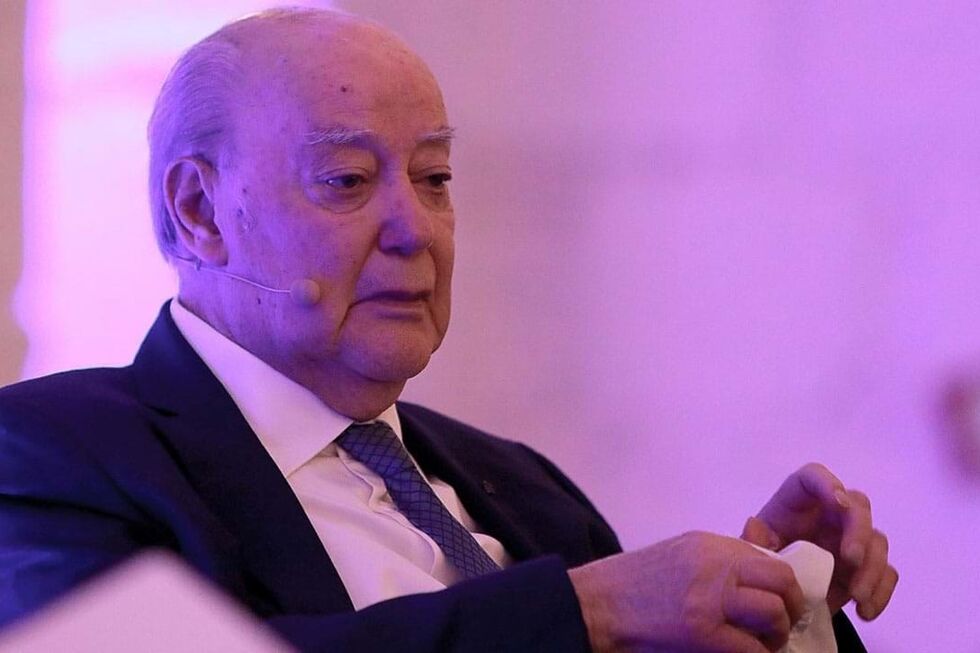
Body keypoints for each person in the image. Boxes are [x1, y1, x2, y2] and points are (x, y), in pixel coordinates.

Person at [0, 7, 896, 652]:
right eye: (348, 180)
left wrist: (773, 607)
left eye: (434, 178)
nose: (416, 229)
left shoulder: (525, 484)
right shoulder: (47, 452)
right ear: (199, 211)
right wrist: (583, 612)